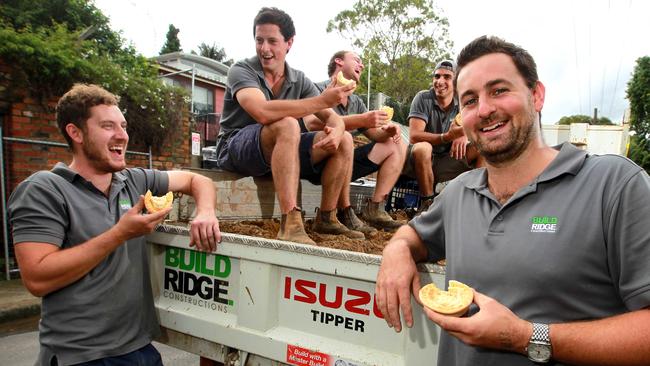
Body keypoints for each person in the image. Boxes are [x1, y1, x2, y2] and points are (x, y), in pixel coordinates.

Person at [375, 35, 650, 365]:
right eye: (470, 100)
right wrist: (396, 250)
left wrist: (525, 336)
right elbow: (414, 235)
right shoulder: (461, 192)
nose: (485, 110)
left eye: (499, 90)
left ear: (537, 95)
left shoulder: (615, 186)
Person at [8, 84, 222, 365]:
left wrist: (205, 212)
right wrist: (121, 233)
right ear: (76, 133)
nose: (122, 135)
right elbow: (36, 277)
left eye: (123, 125)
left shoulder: (133, 181)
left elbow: (198, 180)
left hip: (140, 349)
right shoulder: (44, 189)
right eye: (108, 126)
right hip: (81, 355)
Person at [214, 7, 363, 244]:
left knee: (344, 140)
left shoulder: (299, 79)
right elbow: (262, 112)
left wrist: (336, 130)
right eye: (259, 40)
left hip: (280, 151)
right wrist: (321, 100)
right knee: (287, 124)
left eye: (272, 41)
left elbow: (333, 118)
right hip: (236, 146)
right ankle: (290, 222)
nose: (264, 49)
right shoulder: (241, 70)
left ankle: (327, 217)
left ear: (289, 43)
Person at [311, 50, 407, 234]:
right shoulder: (317, 89)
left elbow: (375, 135)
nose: (361, 65)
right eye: (357, 60)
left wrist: (388, 132)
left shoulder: (356, 102)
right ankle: (344, 212)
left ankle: (375, 209)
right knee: (345, 138)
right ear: (338, 61)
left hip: (346, 162)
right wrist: (361, 119)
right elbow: (311, 123)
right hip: (319, 158)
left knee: (397, 143)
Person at [403, 59, 479, 213]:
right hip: (419, 162)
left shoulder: (464, 102)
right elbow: (414, 136)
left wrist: (464, 134)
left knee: (481, 148)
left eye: (447, 77)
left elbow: (478, 127)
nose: (440, 81)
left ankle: (476, 201)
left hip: (447, 160)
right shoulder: (423, 98)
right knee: (423, 148)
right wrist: (447, 136)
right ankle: (427, 204)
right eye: (437, 76)